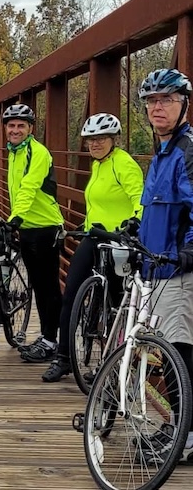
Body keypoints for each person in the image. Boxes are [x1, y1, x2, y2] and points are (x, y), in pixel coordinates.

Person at [41, 113, 143, 383]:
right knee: (71, 295)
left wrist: (135, 222)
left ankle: (112, 366)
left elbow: (139, 198)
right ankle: (63, 358)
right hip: (93, 236)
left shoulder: (124, 164)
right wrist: (79, 228)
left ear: (114, 140)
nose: (94, 144)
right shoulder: (97, 165)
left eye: (100, 139)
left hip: (117, 240)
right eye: (90, 140)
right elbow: (97, 203)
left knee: (114, 306)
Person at [135, 69, 193, 461]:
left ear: (184, 104)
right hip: (153, 270)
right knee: (168, 354)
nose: (158, 107)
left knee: (179, 355)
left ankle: (186, 437)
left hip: (178, 272)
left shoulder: (187, 152)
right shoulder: (162, 152)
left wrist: (190, 251)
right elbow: (156, 210)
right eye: (152, 101)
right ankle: (178, 427)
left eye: (167, 100)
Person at [1, 104, 65, 364]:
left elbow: (28, 187)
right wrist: (16, 220)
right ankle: (47, 337)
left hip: (46, 227)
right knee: (37, 285)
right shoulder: (14, 153)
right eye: (11, 125)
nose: (15, 130)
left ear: (30, 129)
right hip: (27, 227)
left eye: (21, 126)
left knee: (48, 286)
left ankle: (51, 340)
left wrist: (14, 219)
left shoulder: (37, 152)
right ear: (6, 129)